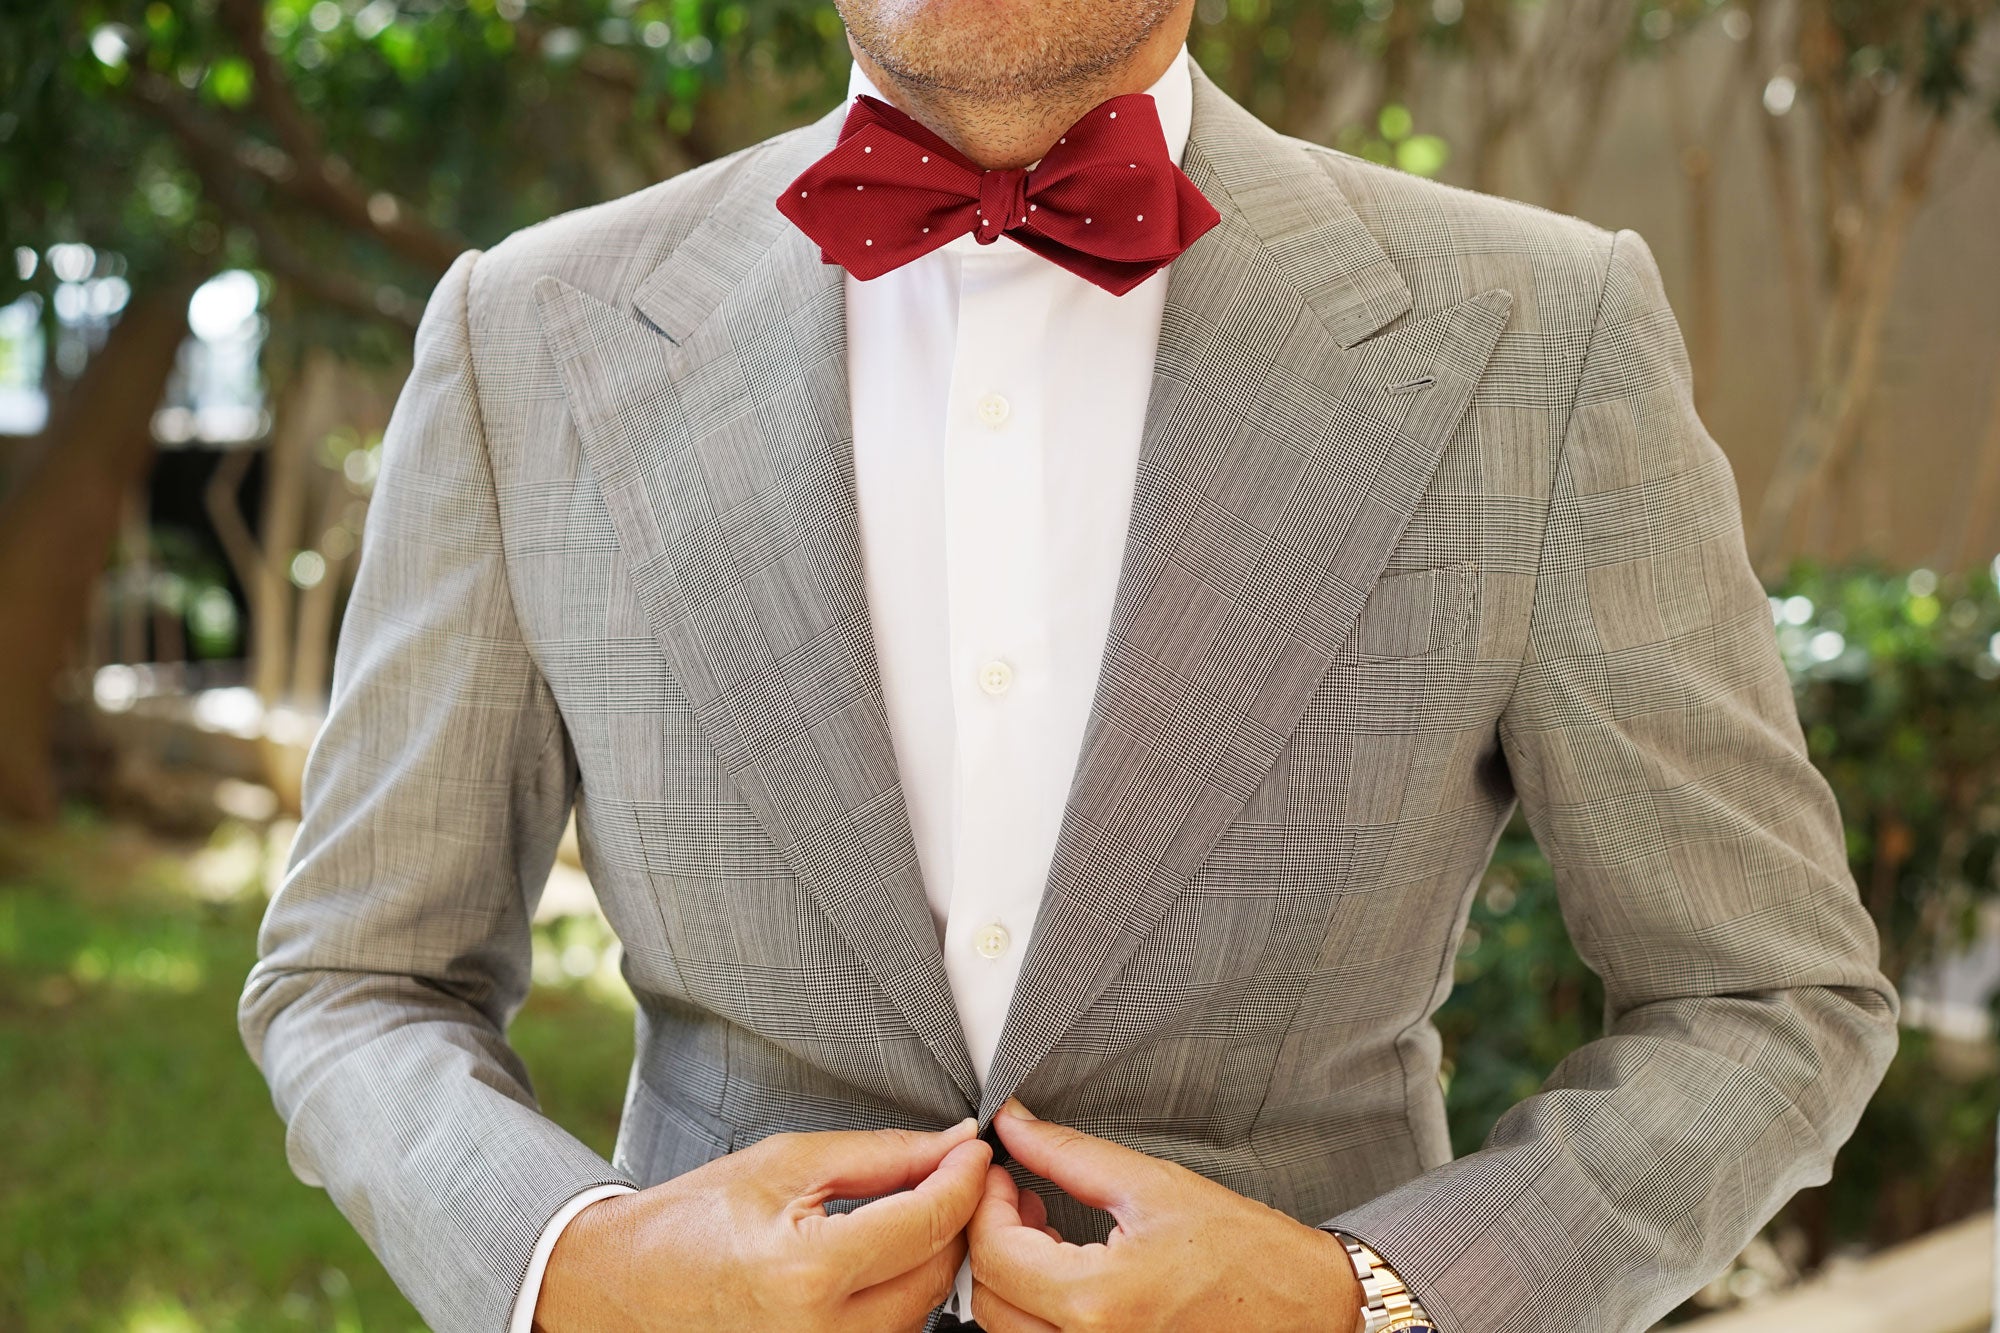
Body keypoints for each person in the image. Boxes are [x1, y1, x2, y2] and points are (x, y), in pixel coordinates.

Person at [237, 0, 1901, 1330]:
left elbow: (1767, 999)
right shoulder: (528, 334)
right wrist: (569, 1270)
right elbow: (354, 980)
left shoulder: (1542, 334)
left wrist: (1370, 1298)